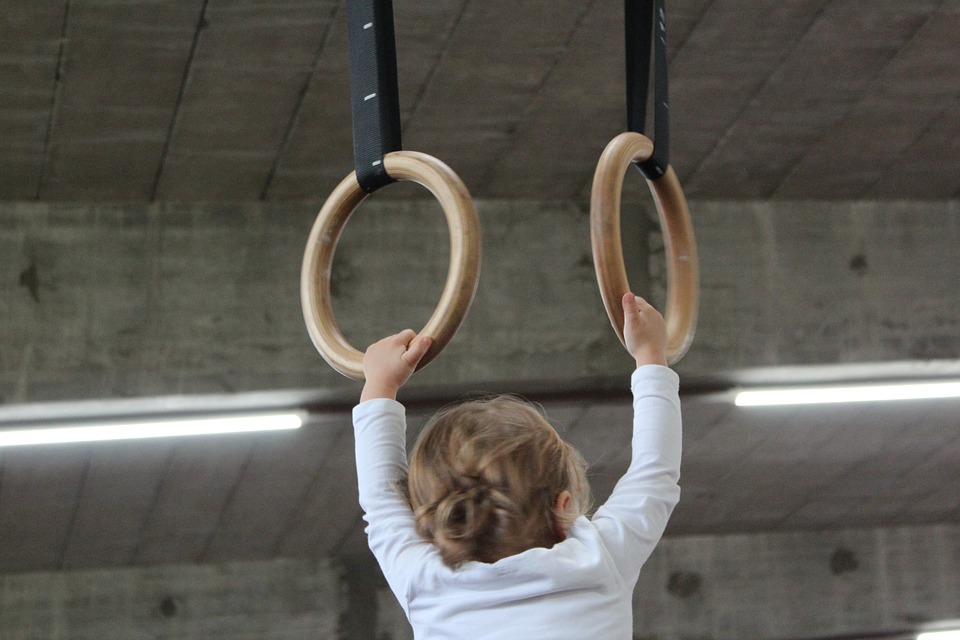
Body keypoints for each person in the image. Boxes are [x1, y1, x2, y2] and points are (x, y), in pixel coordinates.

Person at [352, 292, 682, 639]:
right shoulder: (598, 560)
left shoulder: (425, 582)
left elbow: (654, 474)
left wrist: (379, 383)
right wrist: (650, 354)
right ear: (563, 509)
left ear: (435, 516)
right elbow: (655, 474)